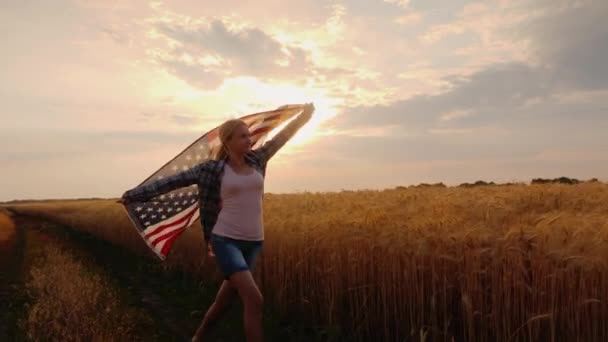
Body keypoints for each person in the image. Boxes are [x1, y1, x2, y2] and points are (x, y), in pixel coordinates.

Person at [120, 103, 315, 342]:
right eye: (242, 136)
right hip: (225, 240)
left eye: (249, 135)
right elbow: (173, 181)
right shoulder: (211, 170)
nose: (249, 140)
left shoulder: (257, 160)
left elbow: (282, 138)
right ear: (228, 141)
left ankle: (198, 338)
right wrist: (134, 195)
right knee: (254, 299)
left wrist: (304, 117)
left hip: (253, 242)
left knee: (224, 302)